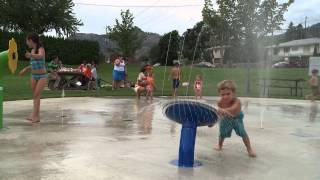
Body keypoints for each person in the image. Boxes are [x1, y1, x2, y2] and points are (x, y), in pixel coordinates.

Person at [214, 80, 256, 157]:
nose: (225, 96)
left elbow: (234, 108)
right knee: (222, 133)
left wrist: (224, 110)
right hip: (226, 119)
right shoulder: (220, 103)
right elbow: (219, 114)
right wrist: (215, 120)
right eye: (222, 94)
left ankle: (249, 149)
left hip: (237, 118)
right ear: (219, 94)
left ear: (233, 93)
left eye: (228, 94)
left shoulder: (237, 101)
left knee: (243, 133)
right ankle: (220, 145)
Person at [19, 33, 48, 123]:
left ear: (31, 40)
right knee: (35, 96)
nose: (27, 43)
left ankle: (35, 116)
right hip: (33, 75)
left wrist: (31, 55)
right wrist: (25, 69)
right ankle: (35, 115)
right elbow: (33, 64)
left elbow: (40, 56)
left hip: (42, 76)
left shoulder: (41, 49)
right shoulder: (31, 51)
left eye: (27, 41)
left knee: (36, 95)